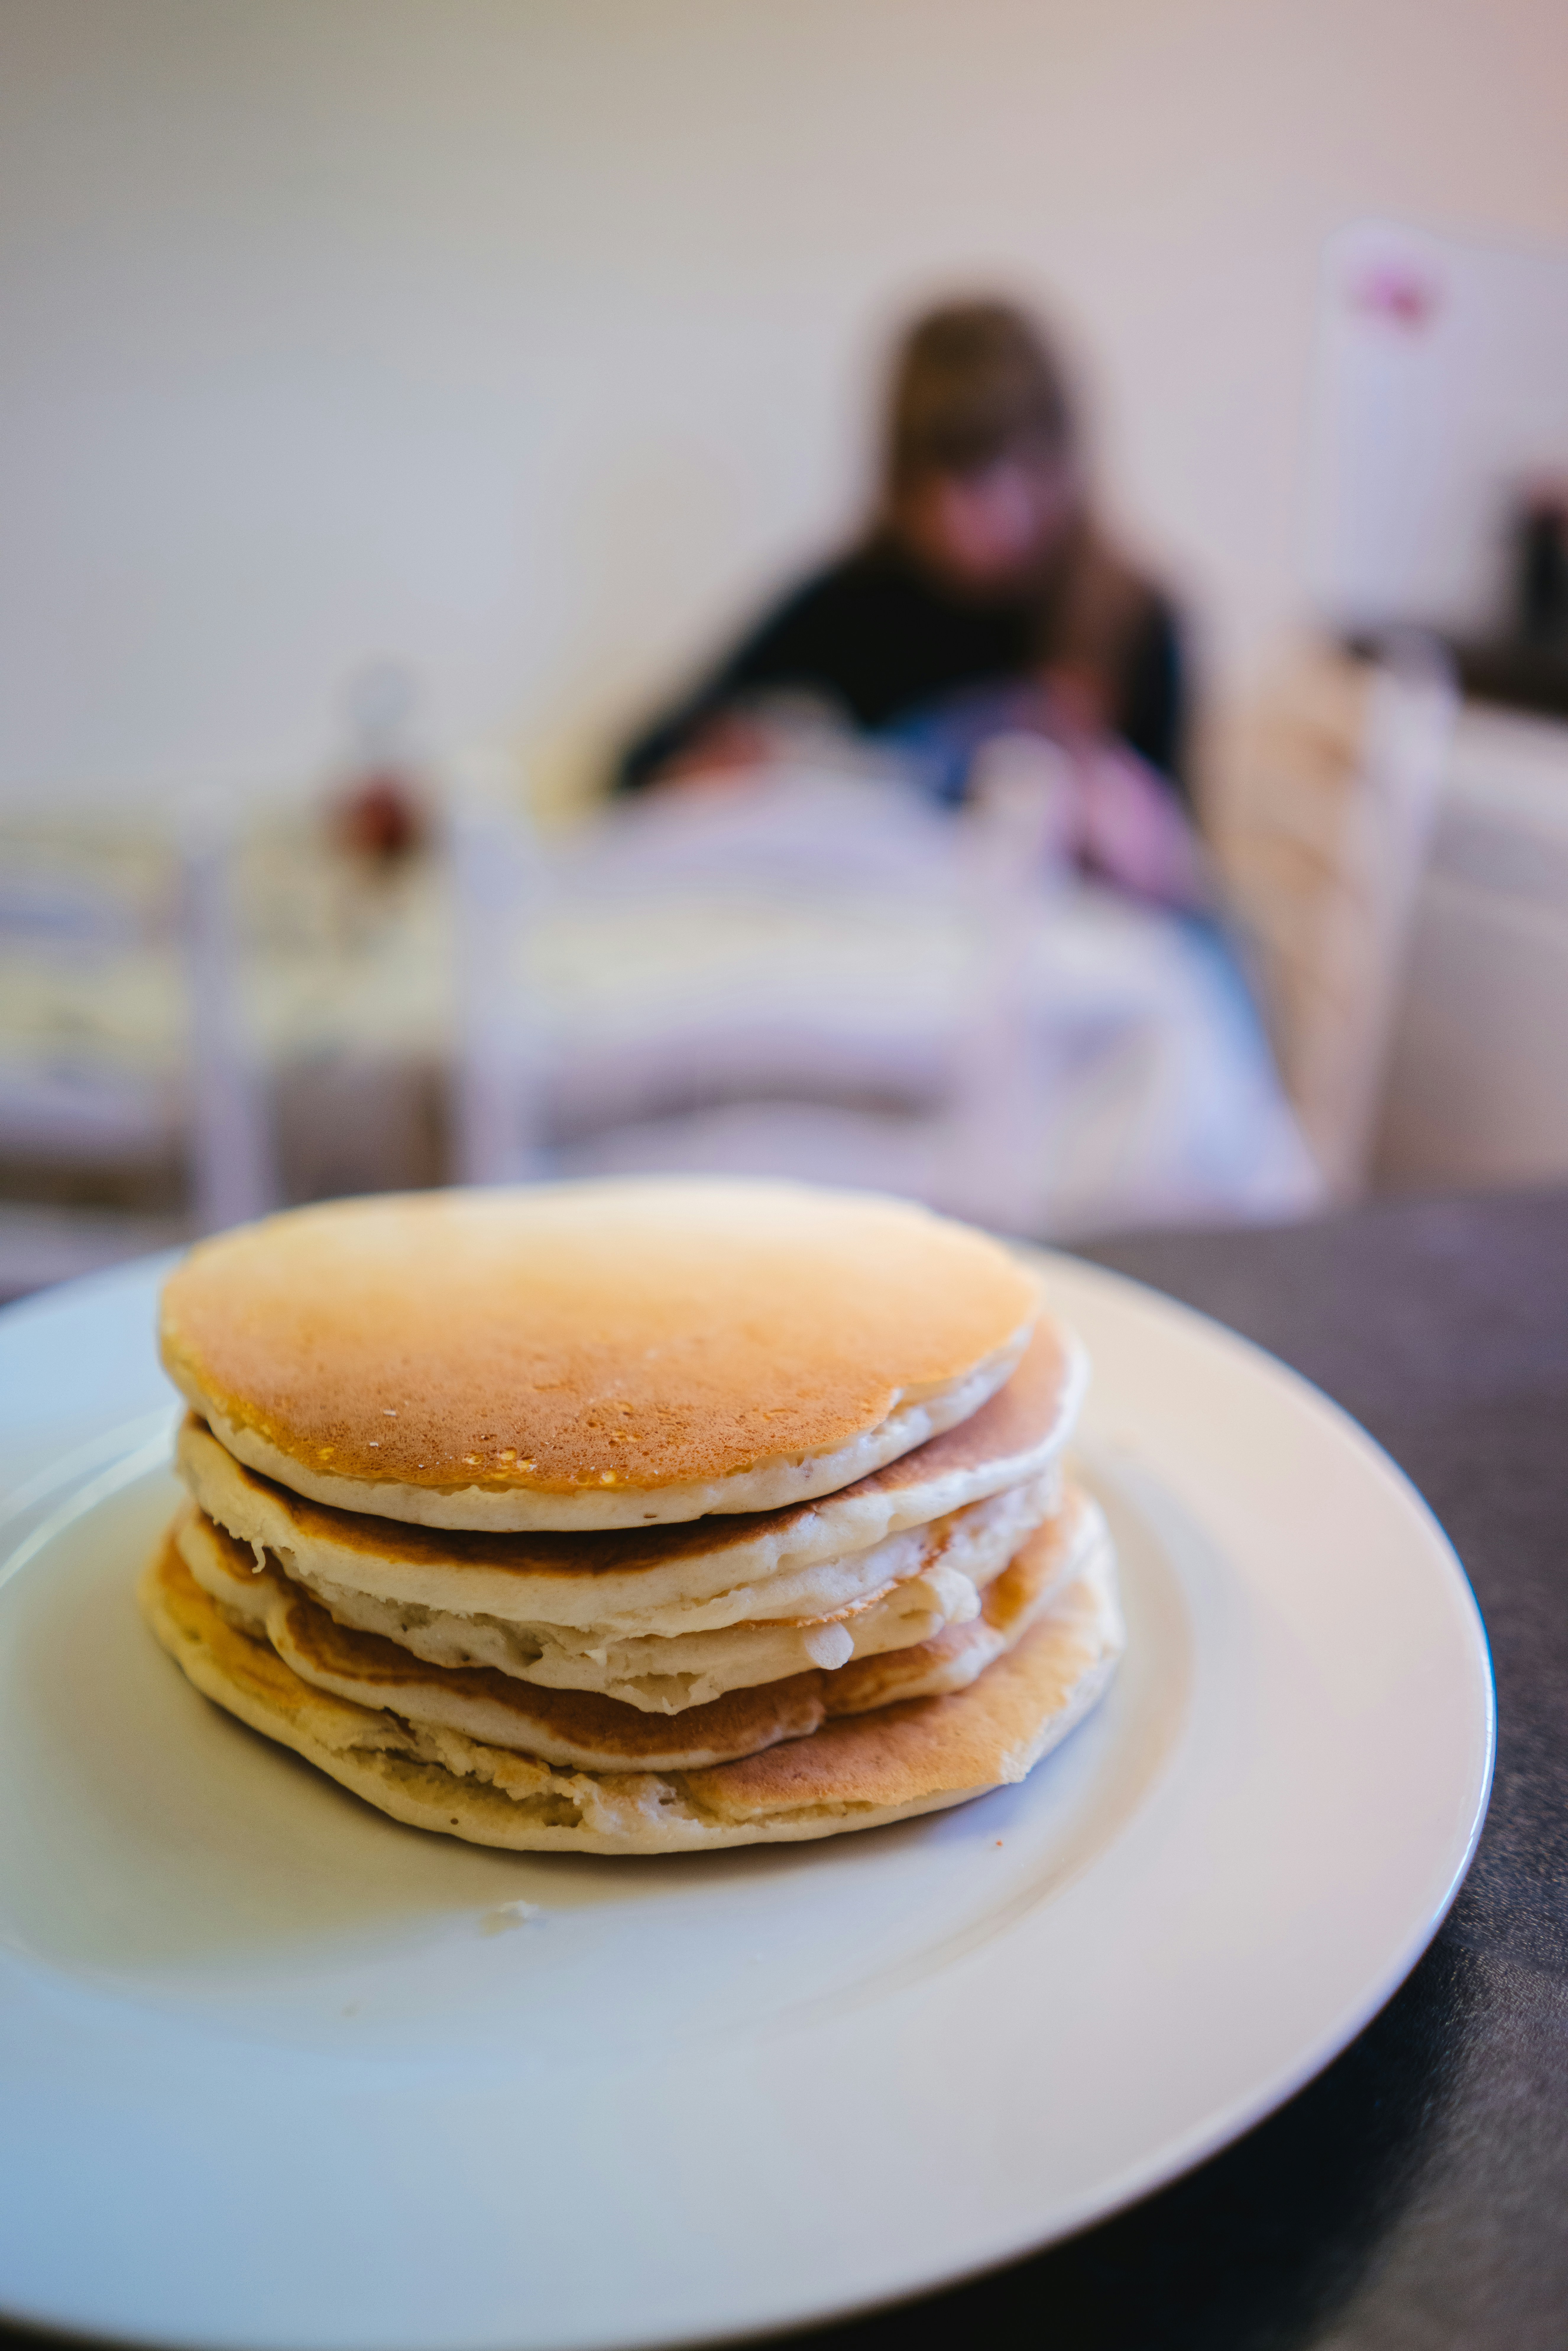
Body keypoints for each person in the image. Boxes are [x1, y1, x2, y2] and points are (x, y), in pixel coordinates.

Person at [613, 299, 1200, 903]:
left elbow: (1192, 884)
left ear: (1054, 461)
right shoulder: (852, 601)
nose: (957, 517)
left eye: (989, 475)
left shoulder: (1131, 619)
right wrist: (713, 764)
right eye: (933, 479)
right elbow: (634, 765)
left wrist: (1135, 844)